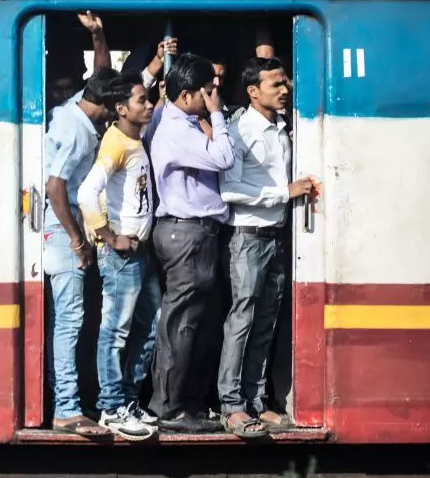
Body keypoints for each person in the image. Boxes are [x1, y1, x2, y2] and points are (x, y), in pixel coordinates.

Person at [217, 57, 314, 438]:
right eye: (276, 85)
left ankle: (255, 402)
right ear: (253, 91)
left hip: (274, 237)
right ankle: (231, 406)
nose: (285, 89)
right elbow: (229, 190)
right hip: (248, 238)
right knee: (241, 320)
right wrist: (283, 193)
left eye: (284, 83)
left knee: (265, 321)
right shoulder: (240, 131)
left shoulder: (280, 127)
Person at [147, 53, 236, 434]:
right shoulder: (178, 131)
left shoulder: (169, 119)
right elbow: (225, 157)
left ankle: (181, 403)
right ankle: (170, 409)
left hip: (187, 232)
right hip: (188, 233)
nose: (212, 96)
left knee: (188, 323)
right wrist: (216, 115)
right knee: (182, 325)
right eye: (206, 92)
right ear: (186, 96)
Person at [77, 72, 159, 441]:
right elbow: (86, 193)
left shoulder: (132, 138)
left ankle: (127, 400)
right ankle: (111, 407)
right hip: (122, 256)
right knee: (116, 332)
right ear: (121, 109)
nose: (150, 104)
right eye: (142, 100)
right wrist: (109, 236)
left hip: (139, 252)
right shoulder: (116, 144)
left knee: (149, 325)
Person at [42, 66, 119, 438]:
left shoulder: (74, 110)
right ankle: (67, 408)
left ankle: (65, 401)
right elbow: (55, 186)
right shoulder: (77, 133)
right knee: (70, 321)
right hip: (61, 228)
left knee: (63, 319)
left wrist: (98, 36)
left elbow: (100, 73)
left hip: (61, 225)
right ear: (105, 104)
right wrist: (76, 239)